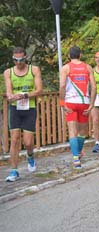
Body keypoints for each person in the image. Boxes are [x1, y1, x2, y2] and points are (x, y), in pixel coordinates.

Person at [4, 47, 43, 182]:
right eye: (15, 60)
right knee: (14, 139)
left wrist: (25, 95)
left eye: (20, 60)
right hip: (15, 109)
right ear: (13, 59)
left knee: (27, 142)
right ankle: (14, 171)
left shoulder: (34, 70)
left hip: (29, 108)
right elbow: (9, 91)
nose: (18, 63)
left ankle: (30, 156)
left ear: (25, 58)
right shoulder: (8, 72)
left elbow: (39, 90)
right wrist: (10, 96)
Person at [59, 46, 96, 169]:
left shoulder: (66, 68)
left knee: (72, 131)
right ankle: (79, 152)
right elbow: (94, 87)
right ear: (80, 55)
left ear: (69, 56)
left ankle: (76, 159)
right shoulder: (88, 67)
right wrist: (91, 103)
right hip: (84, 102)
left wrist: (62, 103)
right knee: (82, 132)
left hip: (70, 102)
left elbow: (63, 85)